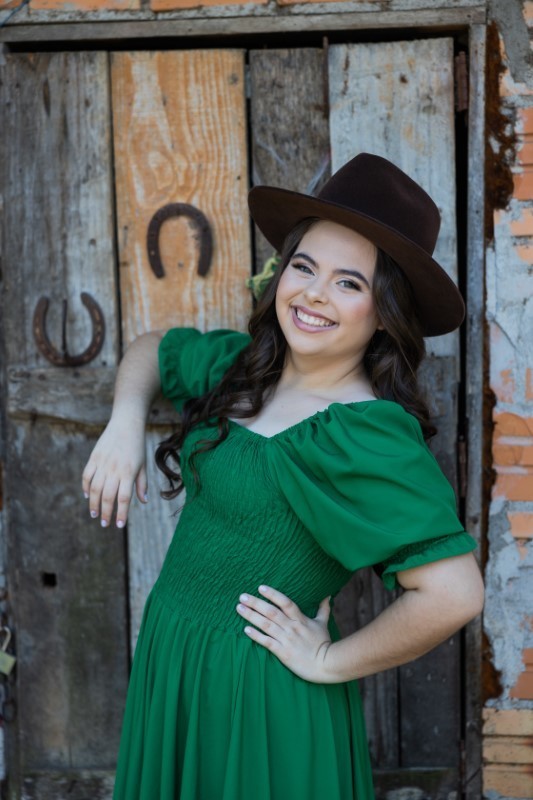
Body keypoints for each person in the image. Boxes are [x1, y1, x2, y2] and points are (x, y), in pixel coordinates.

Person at [82, 153, 484, 800]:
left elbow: (454, 595)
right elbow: (154, 349)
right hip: (175, 654)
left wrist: (326, 658)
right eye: (304, 266)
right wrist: (125, 421)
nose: (315, 293)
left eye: (348, 283)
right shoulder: (248, 369)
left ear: (385, 313)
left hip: (259, 693)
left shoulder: (363, 434)